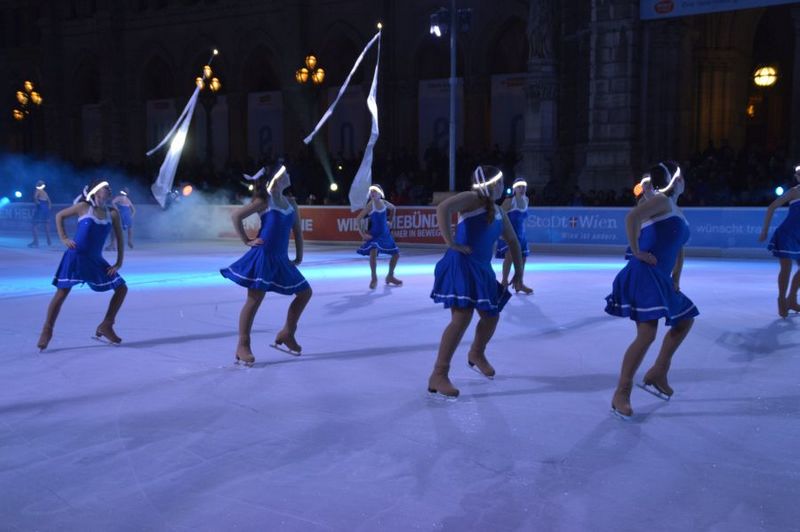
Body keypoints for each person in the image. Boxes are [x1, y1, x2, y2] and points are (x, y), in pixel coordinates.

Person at [605, 162, 698, 419]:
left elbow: (678, 248)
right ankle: (621, 393)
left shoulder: (676, 209)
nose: (684, 181)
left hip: (661, 278)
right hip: (645, 274)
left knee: (685, 319)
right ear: (674, 181)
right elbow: (631, 217)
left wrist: (676, 276)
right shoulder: (661, 201)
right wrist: (636, 252)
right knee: (647, 334)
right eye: (681, 177)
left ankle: (659, 371)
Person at [428, 165, 524, 398]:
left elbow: (513, 242)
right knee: (462, 318)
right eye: (499, 183)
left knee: (491, 316)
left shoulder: (500, 212)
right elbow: (443, 208)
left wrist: (519, 273)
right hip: (461, 266)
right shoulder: (473, 198)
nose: (503, 187)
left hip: (482, 270)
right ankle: (438, 374)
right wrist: (451, 242)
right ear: (489, 185)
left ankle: (476, 353)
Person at [220, 165, 312, 365]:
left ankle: (287, 333)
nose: (288, 175)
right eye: (284, 173)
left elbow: (297, 231)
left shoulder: (291, 203)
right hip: (263, 256)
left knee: (305, 293)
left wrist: (299, 256)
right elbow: (236, 216)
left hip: (281, 259)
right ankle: (243, 345)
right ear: (276, 180)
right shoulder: (264, 201)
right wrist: (247, 240)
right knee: (254, 299)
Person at [37, 179, 127, 350]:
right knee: (62, 293)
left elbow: (120, 239)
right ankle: (47, 330)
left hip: (95, 260)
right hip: (76, 257)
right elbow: (59, 216)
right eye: (105, 187)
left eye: (109, 187)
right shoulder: (83, 207)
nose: (109, 189)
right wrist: (64, 238)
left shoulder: (112, 213)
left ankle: (106, 325)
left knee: (121, 288)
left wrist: (119, 262)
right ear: (95, 191)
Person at [759, 165, 800, 317]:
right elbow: (771, 207)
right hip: (787, 234)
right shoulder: (794, 192)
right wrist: (764, 231)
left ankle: (792, 299)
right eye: (798, 174)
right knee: (786, 268)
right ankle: (782, 300)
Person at [356, 184, 402, 289]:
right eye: (371, 191)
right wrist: (363, 234)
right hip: (375, 234)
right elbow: (358, 219)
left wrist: (390, 221)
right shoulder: (370, 205)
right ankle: (374, 278)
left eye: (375, 191)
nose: (372, 193)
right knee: (373, 252)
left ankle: (390, 276)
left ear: (380, 193)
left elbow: (393, 208)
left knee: (396, 255)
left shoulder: (384, 203)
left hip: (385, 234)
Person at [496, 177, 533, 294]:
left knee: (523, 259)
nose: (522, 189)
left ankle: (519, 283)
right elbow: (498, 216)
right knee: (510, 258)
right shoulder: (509, 201)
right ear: (514, 189)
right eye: (519, 187)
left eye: (523, 187)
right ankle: (504, 283)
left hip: (521, 235)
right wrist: (500, 232)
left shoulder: (526, 199)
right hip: (509, 235)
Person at [29, 180, 53, 247]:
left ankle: (36, 242)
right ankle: (49, 241)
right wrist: (48, 208)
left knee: (34, 225)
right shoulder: (45, 192)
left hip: (40, 208)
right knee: (46, 225)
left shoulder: (37, 190)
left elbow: (35, 197)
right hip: (46, 208)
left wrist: (38, 203)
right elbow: (49, 202)